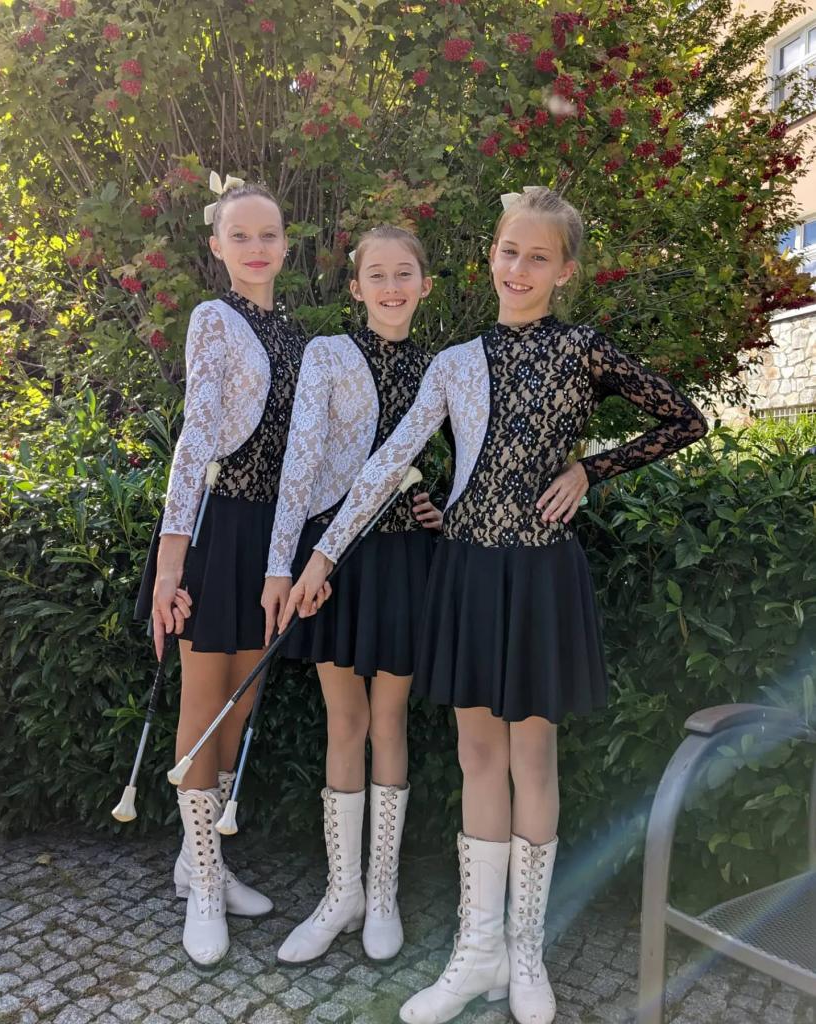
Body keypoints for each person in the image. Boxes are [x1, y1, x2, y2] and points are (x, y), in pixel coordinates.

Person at [283, 187, 708, 1023]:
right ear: (490, 258)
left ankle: (524, 951)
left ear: (564, 271)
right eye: (508, 252)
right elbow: (387, 463)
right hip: (468, 572)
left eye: (537, 257)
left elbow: (683, 419)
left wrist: (590, 469)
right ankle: (477, 953)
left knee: (532, 760)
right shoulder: (456, 362)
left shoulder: (583, 350)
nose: (519, 268)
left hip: (541, 574)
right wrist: (321, 556)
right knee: (477, 756)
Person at [135, 177, 305, 968]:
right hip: (214, 529)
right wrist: (170, 569)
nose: (256, 248)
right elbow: (194, 439)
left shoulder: (296, 335)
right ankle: (204, 884)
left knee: (241, 700)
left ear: (285, 244)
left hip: (271, 536)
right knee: (204, 703)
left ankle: (194, 859)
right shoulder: (215, 318)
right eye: (240, 236)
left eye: (268, 234)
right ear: (216, 247)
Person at [262, 225, 443, 965]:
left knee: (389, 721)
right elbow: (301, 461)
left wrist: (440, 504)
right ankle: (343, 893)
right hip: (328, 562)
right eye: (377, 275)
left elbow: (460, 462)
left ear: (425, 284)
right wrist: (282, 566)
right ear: (356, 286)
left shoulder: (440, 367)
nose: (391, 287)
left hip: (401, 560)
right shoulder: (328, 355)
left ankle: (384, 892)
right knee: (345, 721)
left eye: (404, 274)